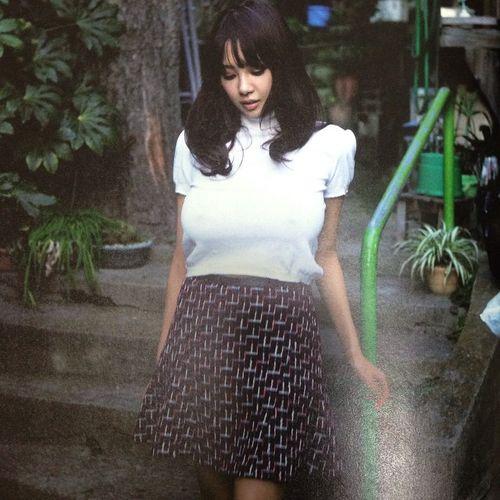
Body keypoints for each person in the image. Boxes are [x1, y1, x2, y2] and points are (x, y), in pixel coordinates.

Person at [133, 1, 390, 499]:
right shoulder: (195, 144)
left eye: (256, 69)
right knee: (212, 483)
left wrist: (355, 354)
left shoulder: (328, 146)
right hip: (203, 331)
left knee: (255, 491)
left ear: (281, 64)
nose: (244, 87)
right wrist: (164, 352)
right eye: (229, 74)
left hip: (280, 334)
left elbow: (327, 256)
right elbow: (183, 259)